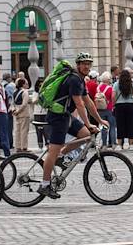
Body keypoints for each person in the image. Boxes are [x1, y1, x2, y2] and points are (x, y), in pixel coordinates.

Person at [40, 53, 102, 198]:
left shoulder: (80, 80)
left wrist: (99, 119)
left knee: (86, 135)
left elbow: (88, 102)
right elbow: (79, 104)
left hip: (66, 116)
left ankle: (61, 155)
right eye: (84, 63)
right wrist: (88, 123)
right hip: (57, 118)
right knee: (52, 152)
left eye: (89, 64)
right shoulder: (74, 79)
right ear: (78, 65)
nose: (87, 66)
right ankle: (44, 185)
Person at [114, 69, 133, 150]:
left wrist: (114, 103)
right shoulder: (132, 84)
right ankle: (131, 144)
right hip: (130, 105)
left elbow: (113, 95)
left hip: (119, 105)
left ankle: (119, 144)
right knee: (130, 124)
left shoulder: (116, 84)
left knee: (120, 124)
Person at [12, 74, 36, 155]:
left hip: (16, 113)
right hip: (24, 113)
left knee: (17, 131)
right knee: (24, 131)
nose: (27, 85)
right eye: (26, 84)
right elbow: (24, 104)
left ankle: (18, 147)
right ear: (23, 84)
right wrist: (19, 111)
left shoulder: (15, 92)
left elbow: (13, 103)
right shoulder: (25, 92)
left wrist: (15, 111)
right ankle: (24, 147)